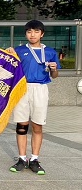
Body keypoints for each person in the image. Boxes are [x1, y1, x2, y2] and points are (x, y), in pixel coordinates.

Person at [7, 20, 60, 175]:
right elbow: (9, 66)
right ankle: (22, 159)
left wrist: (54, 69)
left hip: (40, 89)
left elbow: (55, 76)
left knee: (37, 125)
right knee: (22, 125)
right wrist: (8, 54)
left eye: (36, 31)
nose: (32, 35)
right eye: (29, 31)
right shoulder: (19, 50)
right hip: (22, 88)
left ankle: (35, 159)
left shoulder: (50, 52)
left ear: (42, 34)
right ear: (26, 34)